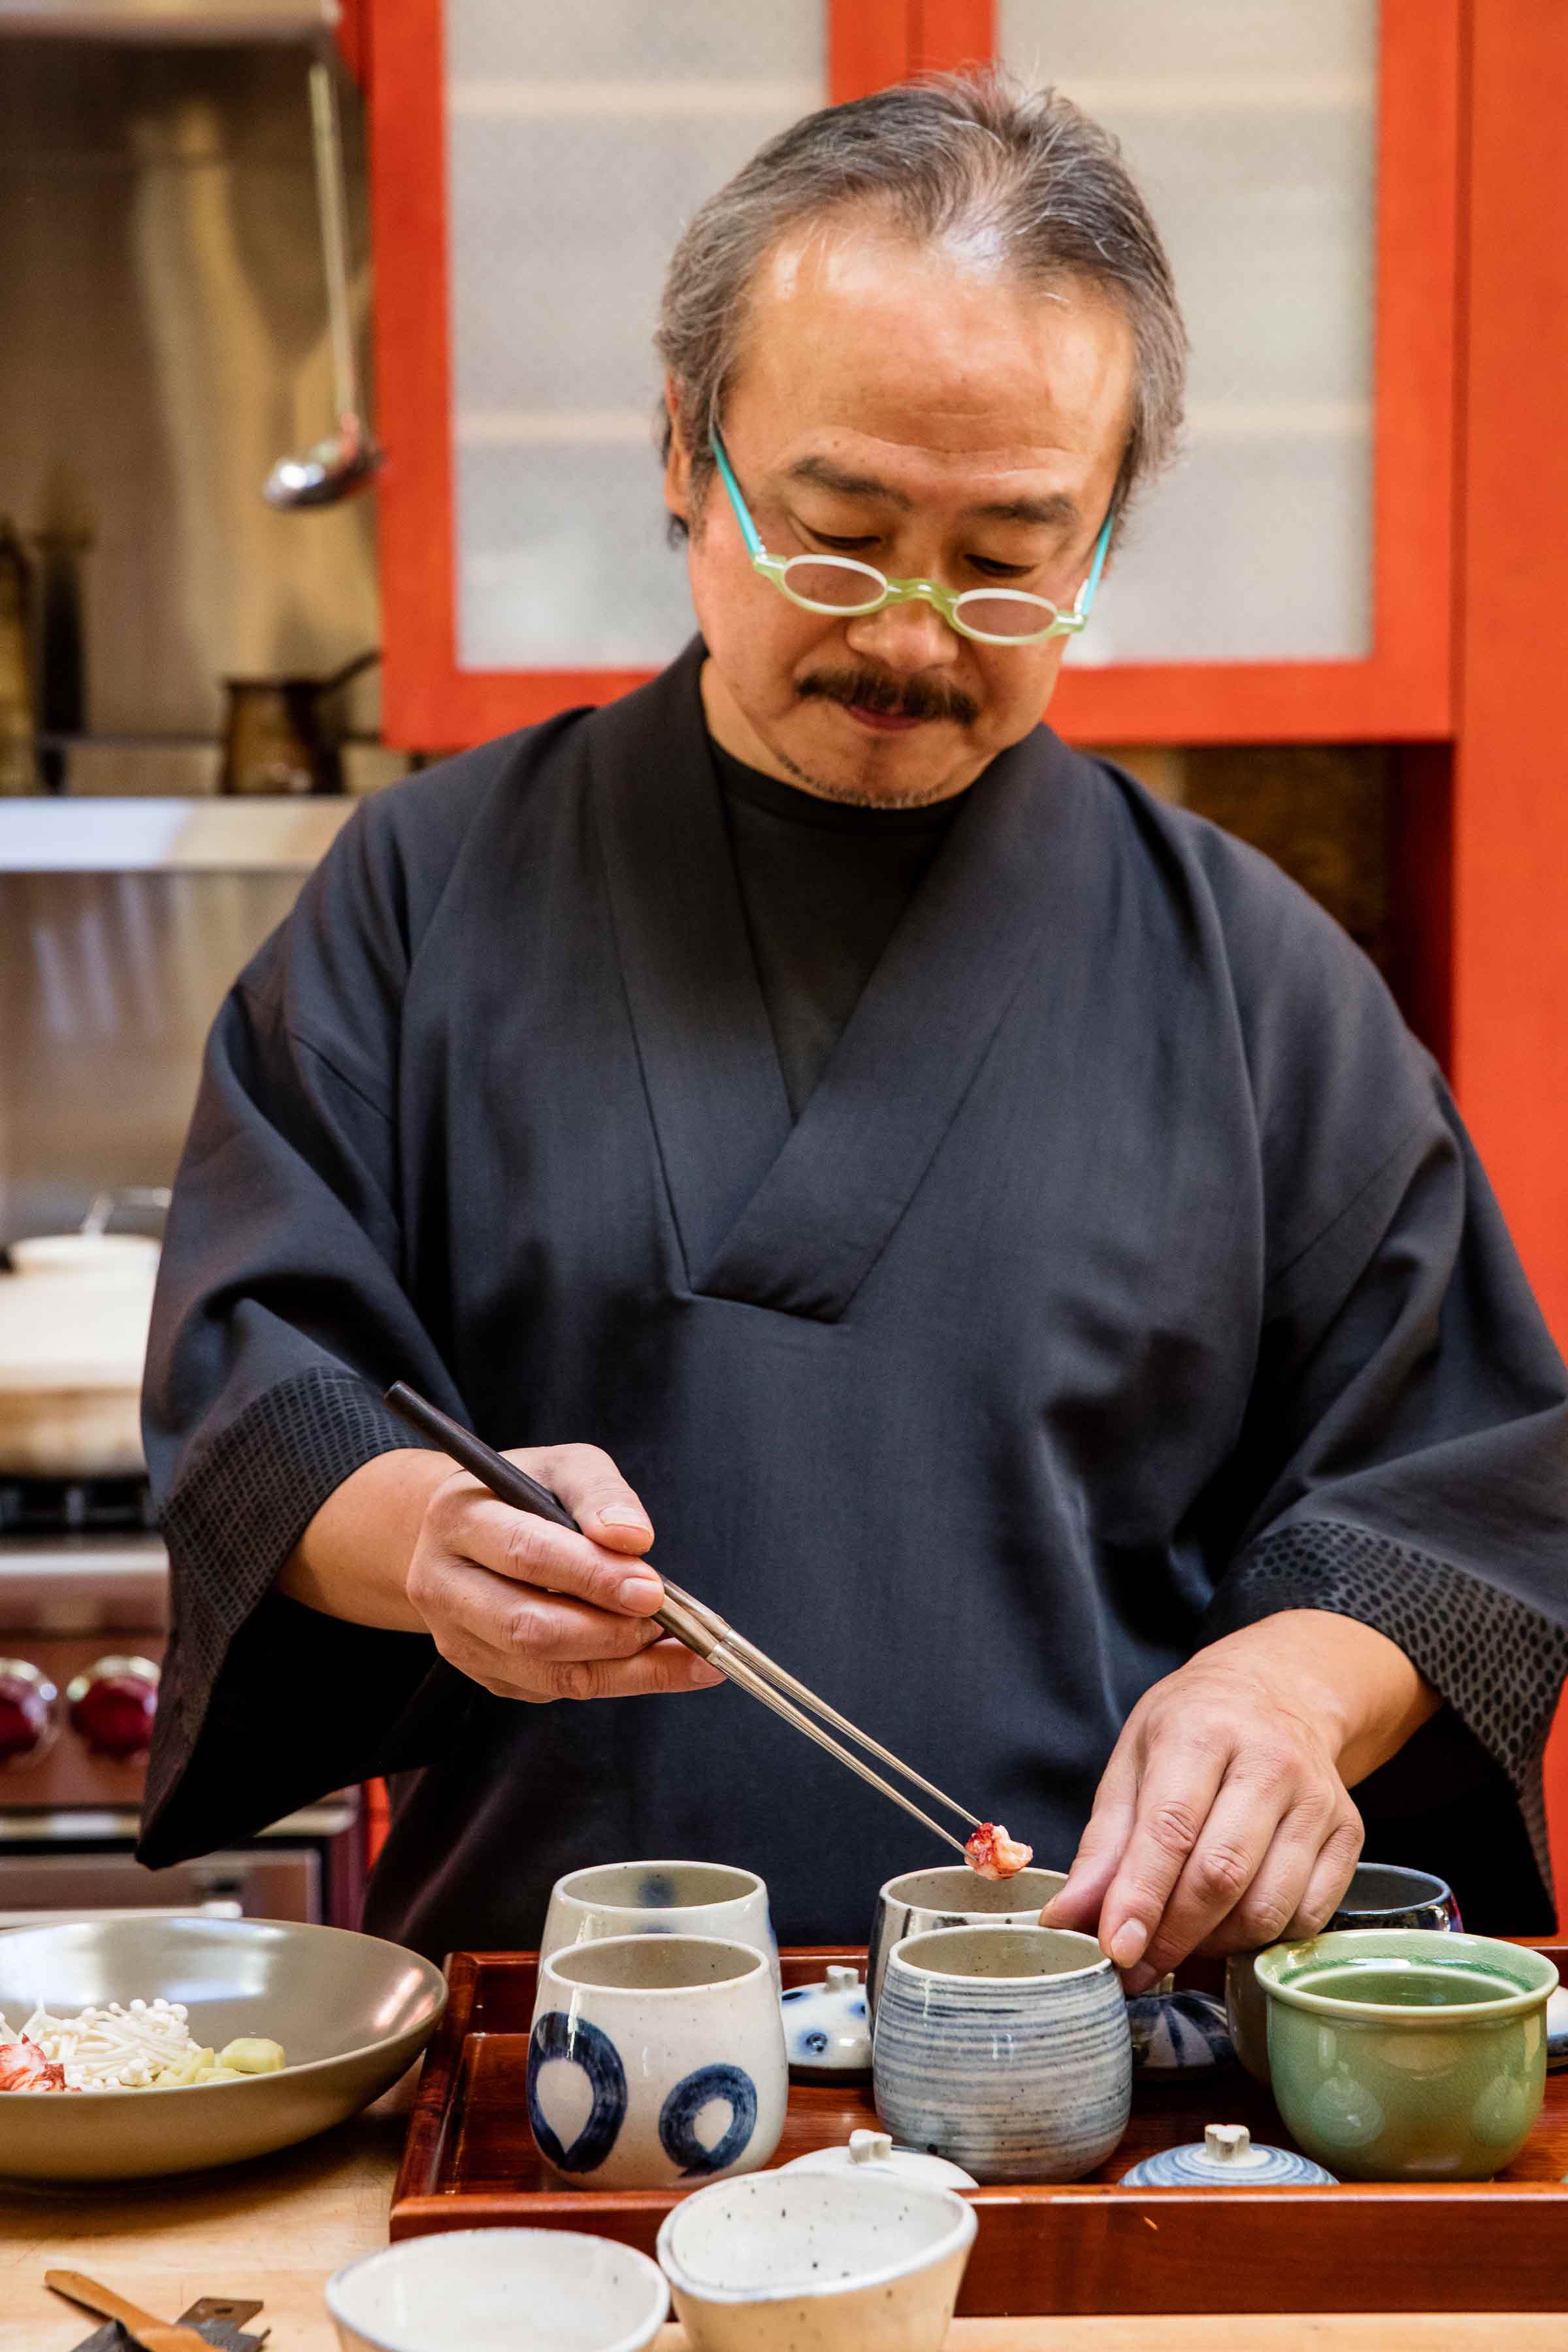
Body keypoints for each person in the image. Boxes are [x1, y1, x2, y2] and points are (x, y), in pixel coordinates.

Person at [139, 73, 1568, 1974]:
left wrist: (1301, 1698)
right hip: (558, 2055)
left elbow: (1456, 1492)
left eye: (1003, 563)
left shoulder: (1255, 979)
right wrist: (419, 1541)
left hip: (1096, 2057)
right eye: (838, 531)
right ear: (683, 450)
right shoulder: (425, 897)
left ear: (1104, 535)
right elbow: (261, 1384)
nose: (907, 633)